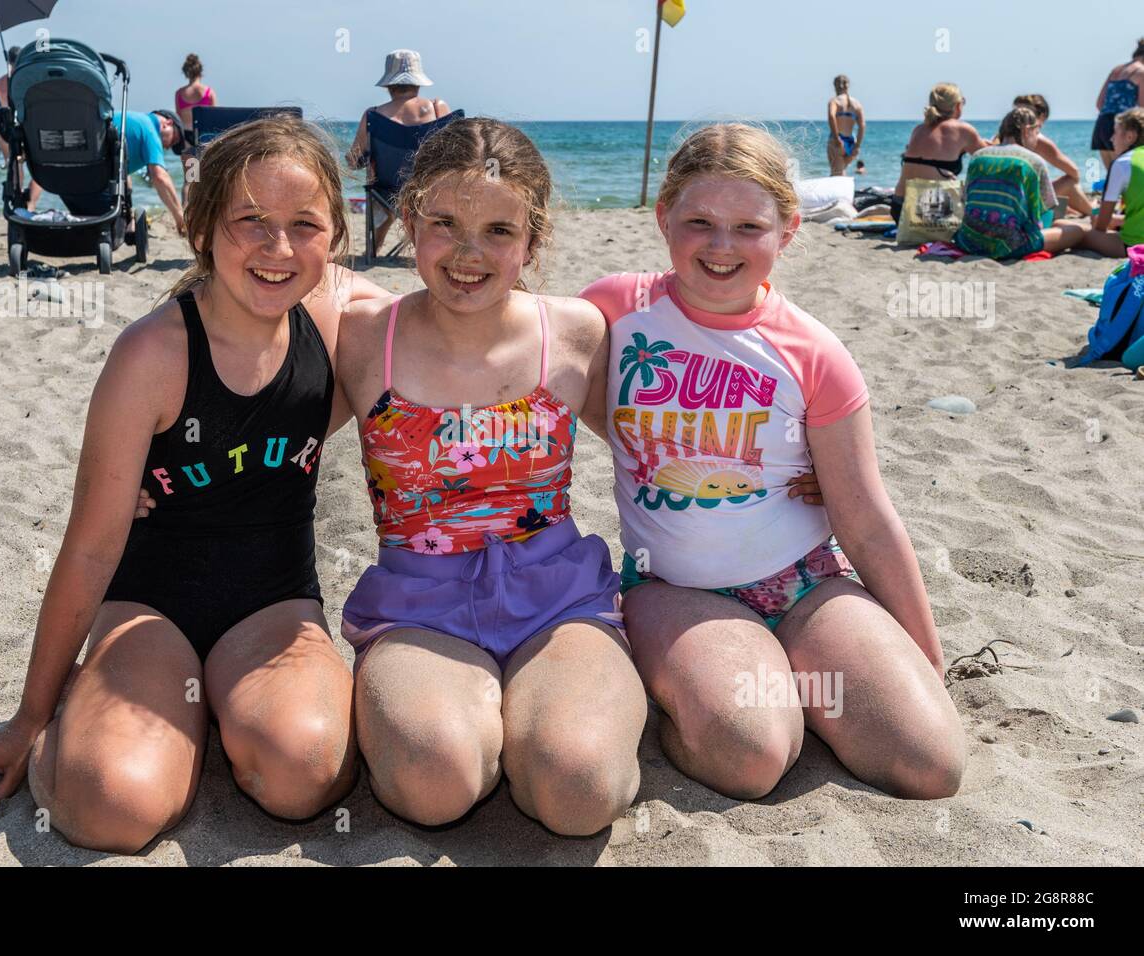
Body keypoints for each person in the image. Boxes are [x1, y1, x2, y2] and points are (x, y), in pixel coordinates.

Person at [0, 116, 391, 853]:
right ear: (202, 226)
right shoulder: (151, 354)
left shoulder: (341, 319)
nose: (277, 248)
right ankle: (102, 719)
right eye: (249, 219)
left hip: (275, 604)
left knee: (304, 776)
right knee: (112, 810)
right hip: (150, 605)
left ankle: (223, 715)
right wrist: (29, 717)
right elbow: (91, 551)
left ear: (334, 238)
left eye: (303, 225)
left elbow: (454, 315)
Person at [580, 123, 966, 801]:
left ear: (786, 231)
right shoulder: (615, 308)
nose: (721, 246)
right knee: (749, 757)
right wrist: (648, 449)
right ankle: (700, 700)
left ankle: (789, 679)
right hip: (676, 590)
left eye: (748, 227)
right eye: (698, 221)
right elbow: (558, 384)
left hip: (805, 586)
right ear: (663, 216)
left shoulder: (813, 352)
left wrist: (924, 655)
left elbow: (865, 516)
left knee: (929, 763)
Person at [335, 117, 647, 835]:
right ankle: (476, 721)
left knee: (578, 789)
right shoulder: (360, 337)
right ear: (408, 219)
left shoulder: (575, 332)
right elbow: (272, 425)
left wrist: (794, 464)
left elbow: (650, 440)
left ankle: (536, 724)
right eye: (444, 222)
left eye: (500, 232)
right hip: (417, 605)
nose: (469, 252)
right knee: (433, 781)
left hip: (560, 599)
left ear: (533, 240)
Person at [345, 50, 451, 256]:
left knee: (378, 184)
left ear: (388, 85)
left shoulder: (373, 116)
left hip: (385, 193)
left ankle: (373, 249)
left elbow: (354, 160)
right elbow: (454, 155)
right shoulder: (438, 109)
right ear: (419, 82)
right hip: (429, 191)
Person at [955, 107, 1077, 258]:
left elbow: (967, 199)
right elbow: (1043, 211)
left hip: (969, 240)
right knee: (1075, 232)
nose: (1037, 138)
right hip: (1009, 246)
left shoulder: (977, 157)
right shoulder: (1033, 160)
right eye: (1036, 132)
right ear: (1026, 130)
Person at [59, 110, 187, 236]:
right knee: (117, 227)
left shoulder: (131, 120)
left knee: (116, 217)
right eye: (174, 139)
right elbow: (160, 177)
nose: (168, 147)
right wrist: (179, 217)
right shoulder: (150, 130)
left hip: (65, 184)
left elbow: (124, 173)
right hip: (91, 187)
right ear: (167, 123)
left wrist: (129, 212)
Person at [1051, 107, 1144, 258]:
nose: (1111, 138)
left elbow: (1100, 226)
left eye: (1115, 132)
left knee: (1064, 227)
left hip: (1135, 246)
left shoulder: (1123, 163)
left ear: (1130, 136)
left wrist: (1095, 213)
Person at [891, 83, 987, 225]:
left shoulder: (918, 129)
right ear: (958, 105)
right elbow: (989, 158)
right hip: (934, 212)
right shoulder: (963, 129)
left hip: (900, 210)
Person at [1012, 94, 1093, 217]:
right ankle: (1093, 213)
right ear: (1042, 117)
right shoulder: (1038, 140)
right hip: (1023, 205)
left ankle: (1067, 209)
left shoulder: (1002, 136)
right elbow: (1074, 171)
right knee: (1069, 181)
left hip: (1005, 200)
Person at [0, 45, 42, 210]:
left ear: (8, 60)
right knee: (40, 168)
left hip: (5, 132)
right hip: (25, 128)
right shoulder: (28, 79)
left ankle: (17, 199)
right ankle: (31, 203)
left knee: (15, 167)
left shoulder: (0, 82)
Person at [1092, 40, 1144, 173]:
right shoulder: (1141, 72)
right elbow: (1142, 107)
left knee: (1113, 176)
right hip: (1124, 127)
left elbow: (1099, 103)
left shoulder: (1116, 70)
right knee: (1127, 176)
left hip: (1102, 124)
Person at [174, 53, 217, 204]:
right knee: (204, 181)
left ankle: (185, 215)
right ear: (200, 71)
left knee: (189, 181)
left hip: (187, 137)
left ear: (186, 72)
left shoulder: (179, 94)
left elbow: (179, 115)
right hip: (204, 138)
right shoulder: (208, 92)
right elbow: (213, 117)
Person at [825, 75, 863, 175]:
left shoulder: (834, 101)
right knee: (841, 170)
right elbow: (862, 125)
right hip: (851, 141)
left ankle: (839, 190)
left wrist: (837, 138)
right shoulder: (857, 103)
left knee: (836, 173)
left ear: (835, 86)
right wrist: (858, 145)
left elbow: (831, 117)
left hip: (838, 140)